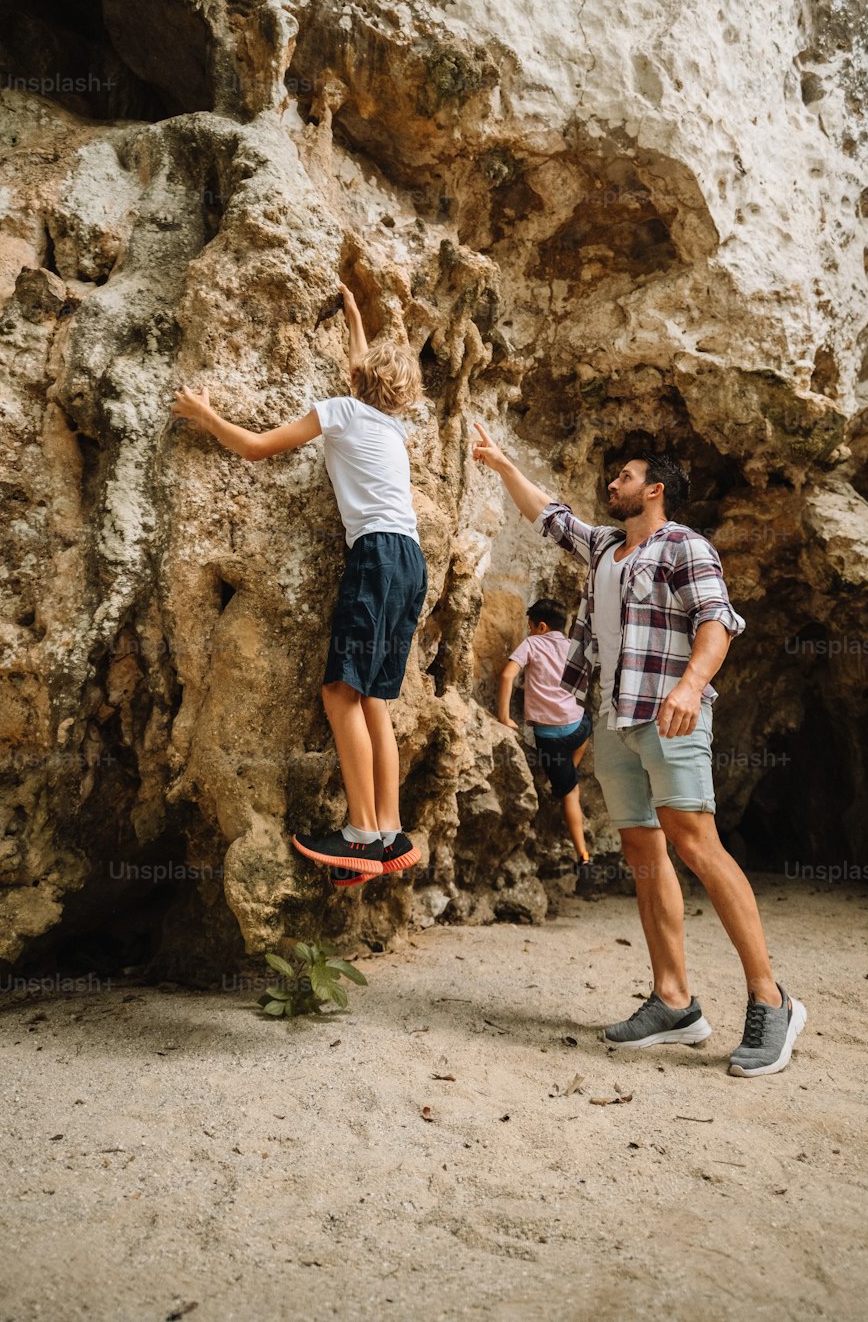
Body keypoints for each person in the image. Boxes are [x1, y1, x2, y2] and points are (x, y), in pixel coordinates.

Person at [472, 421, 807, 1078]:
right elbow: (549, 514)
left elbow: (717, 624)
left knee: (694, 841)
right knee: (643, 850)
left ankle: (773, 998)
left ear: (653, 489)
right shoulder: (603, 548)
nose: (610, 484)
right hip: (616, 719)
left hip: (671, 716)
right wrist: (503, 464)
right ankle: (675, 1001)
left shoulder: (685, 546)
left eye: (623, 476)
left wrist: (691, 685)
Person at [171, 281, 427, 885]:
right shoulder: (395, 431)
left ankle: (362, 834)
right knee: (373, 700)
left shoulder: (341, 410)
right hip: (410, 558)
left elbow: (259, 449)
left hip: (375, 556)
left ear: (358, 379)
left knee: (339, 694)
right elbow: (364, 366)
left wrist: (206, 415)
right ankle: (389, 831)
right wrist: (355, 315)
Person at [498, 598, 594, 872]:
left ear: (540, 626)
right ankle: (569, 772)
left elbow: (507, 676)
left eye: (529, 627)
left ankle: (583, 856)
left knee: (570, 794)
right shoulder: (572, 647)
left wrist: (504, 718)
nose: (528, 632)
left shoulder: (532, 643)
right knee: (587, 721)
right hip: (576, 728)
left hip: (550, 738)